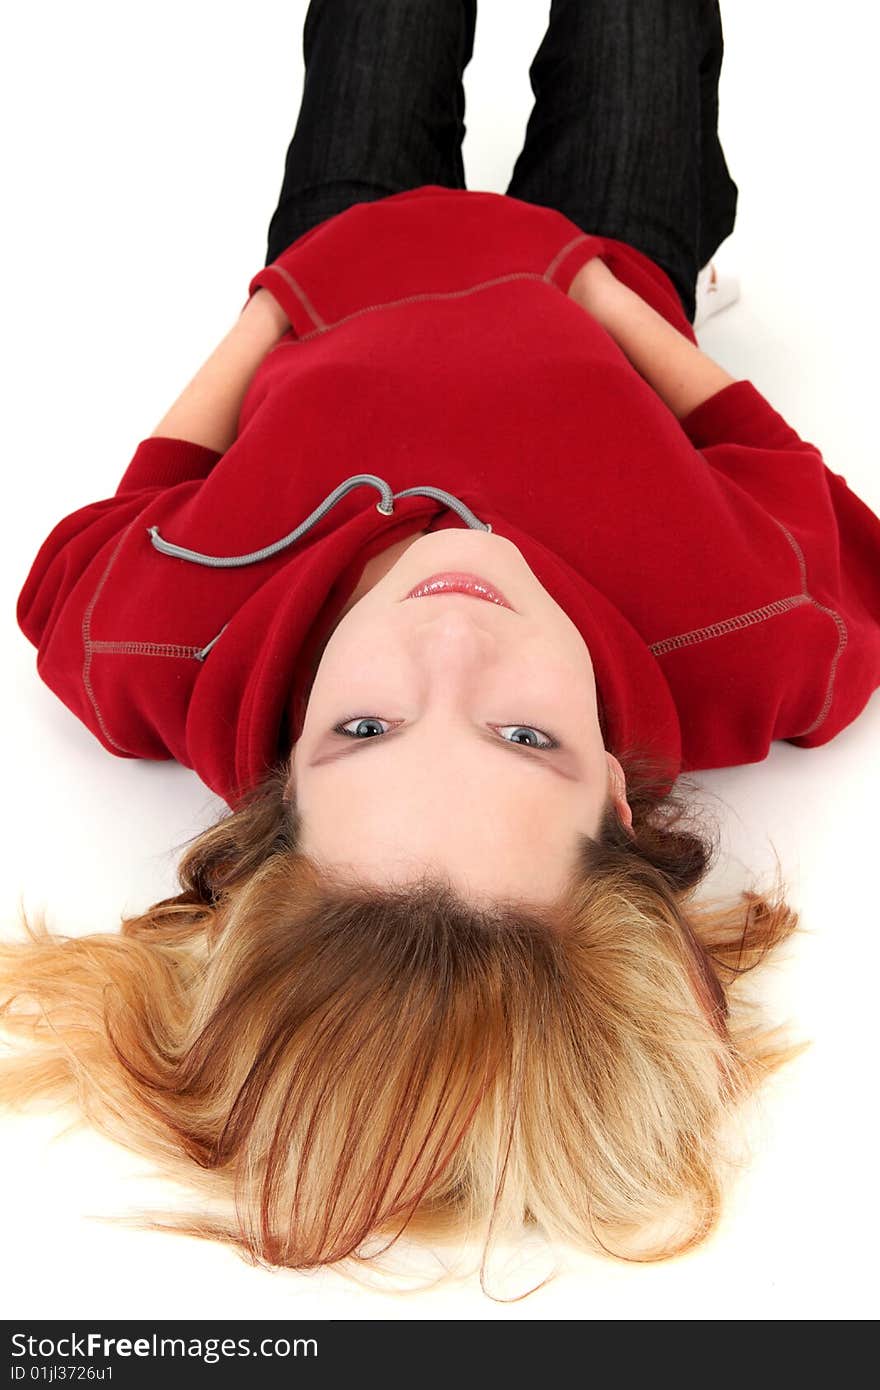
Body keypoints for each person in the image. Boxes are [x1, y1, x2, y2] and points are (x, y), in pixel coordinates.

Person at [4, 0, 880, 1291]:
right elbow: (782, 474)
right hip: (608, 263)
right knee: (640, 39)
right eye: (525, 736)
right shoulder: (748, 639)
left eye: (366, 730)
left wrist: (272, 312)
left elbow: (111, 525)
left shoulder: (163, 648)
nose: (453, 638)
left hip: (340, 261)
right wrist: (614, 299)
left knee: (376, 30)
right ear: (622, 804)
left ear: (277, 793)